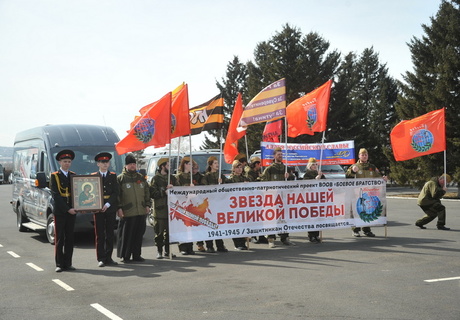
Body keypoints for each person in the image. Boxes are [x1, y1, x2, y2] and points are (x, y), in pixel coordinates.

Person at [117, 153, 151, 263]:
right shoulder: (121, 178)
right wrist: (119, 208)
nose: (132, 166)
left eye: (134, 164)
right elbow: (117, 195)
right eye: (130, 164)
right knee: (127, 235)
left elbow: (147, 192)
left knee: (138, 235)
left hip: (141, 211)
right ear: (126, 165)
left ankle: (137, 255)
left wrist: (147, 205)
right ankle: (125, 256)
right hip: (128, 211)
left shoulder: (141, 178)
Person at [346, 148, 387, 237]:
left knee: (368, 210)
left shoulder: (372, 167)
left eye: (366, 155)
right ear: (359, 156)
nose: (364, 156)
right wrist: (353, 171)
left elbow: (378, 176)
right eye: (362, 155)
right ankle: (355, 230)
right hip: (357, 193)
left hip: (369, 193)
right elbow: (348, 177)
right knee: (357, 211)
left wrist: (383, 178)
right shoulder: (355, 166)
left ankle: (366, 229)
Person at [260, 147, 295, 248]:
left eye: (281, 154)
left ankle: (285, 238)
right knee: (272, 218)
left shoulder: (286, 168)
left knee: (284, 218)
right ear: (274, 156)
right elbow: (263, 181)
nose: (280, 156)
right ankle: (271, 239)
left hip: (284, 198)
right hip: (273, 199)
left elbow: (294, 182)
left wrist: (289, 177)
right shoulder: (270, 169)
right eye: (278, 154)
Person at [49, 149, 77, 273]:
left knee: (70, 238)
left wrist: (77, 208)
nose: (67, 163)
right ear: (60, 162)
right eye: (64, 161)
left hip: (72, 210)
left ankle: (68, 263)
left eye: (69, 161)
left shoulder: (73, 175)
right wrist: (68, 209)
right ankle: (59, 264)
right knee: (60, 238)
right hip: (60, 211)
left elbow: (77, 194)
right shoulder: (54, 176)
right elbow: (56, 195)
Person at [92, 152, 119, 267]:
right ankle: (101, 258)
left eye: (107, 162)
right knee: (100, 234)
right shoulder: (93, 176)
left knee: (110, 234)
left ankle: (109, 257)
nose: (105, 164)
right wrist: (98, 204)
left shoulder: (113, 176)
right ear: (98, 164)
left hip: (109, 207)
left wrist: (107, 204)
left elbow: (115, 192)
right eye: (102, 162)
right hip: (98, 208)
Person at [150, 157, 178, 259]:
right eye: (168, 165)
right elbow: (153, 193)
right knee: (159, 232)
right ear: (162, 166)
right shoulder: (156, 179)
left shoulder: (172, 178)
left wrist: (174, 188)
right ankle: (159, 251)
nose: (170, 167)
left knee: (169, 233)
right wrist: (164, 191)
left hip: (171, 209)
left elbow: (180, 190)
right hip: (160, 210)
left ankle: (168, 251)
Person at [201, 156, 228, 253]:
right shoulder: (206, 176)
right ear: (211, 165)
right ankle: (209, 246)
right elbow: (204, 188)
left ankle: (220, 245)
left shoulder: (221, 175)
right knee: (209, 224)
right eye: (215, 163)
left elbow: (229, 186)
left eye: (217, 163)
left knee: (218, 225)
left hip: (219, 203)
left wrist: (222, 182)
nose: (217, 165)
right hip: (209, 205)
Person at [228, 160, 250, 250]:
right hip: (234, 205)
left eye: (241, 167)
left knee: (244, 223)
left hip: (244, 204)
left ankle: (243, 242)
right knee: (235, 224)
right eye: (237, 167)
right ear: (233, 168)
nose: (240, 169)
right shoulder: (230, 179)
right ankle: (237, 243)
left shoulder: (246, 178)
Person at [303, 158, 325, 243]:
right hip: (310, 199)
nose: (315, 166)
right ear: (309, 166)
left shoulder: (320, 174)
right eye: (313, 164)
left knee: (318, 217)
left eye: (316, 164)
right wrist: (315, 179)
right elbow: (305, 185)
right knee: (311, 217)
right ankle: (311, 235)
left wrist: (321, 177)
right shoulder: (307, 174)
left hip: (319, 198)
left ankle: (317, 235)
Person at [191, 160, 207, 253]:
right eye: (192, 168)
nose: (194, 170)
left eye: (196, 168)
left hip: (199, 203)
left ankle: (200, 244)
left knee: (199, 224)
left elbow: (205, 187)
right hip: (189, 204)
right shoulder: (187, 176)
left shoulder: (201, 177)